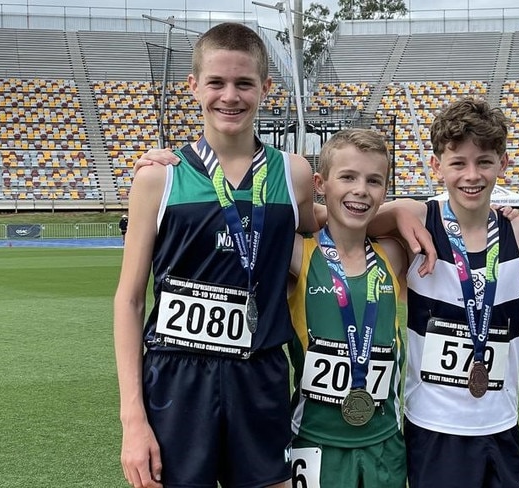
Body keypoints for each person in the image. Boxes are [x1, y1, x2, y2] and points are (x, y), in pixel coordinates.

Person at [113, 22, 319, 488]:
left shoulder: (294, 175)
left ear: (266, 88)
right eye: (217, 82)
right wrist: (132, 419)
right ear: (193, 87)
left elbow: (333, 222)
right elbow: (128, 301)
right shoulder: (157, 180)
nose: (231, 96)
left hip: (260, 372)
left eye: (245, 83)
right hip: (176, 378)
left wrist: (406, 211)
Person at [374, 97, 519, 488]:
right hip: (433, 427)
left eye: (484, 161)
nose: (472, 175)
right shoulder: (420, 224)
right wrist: (400, 209)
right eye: (458, 163)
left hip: (500, 424)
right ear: (437, 166)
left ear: (502, 164)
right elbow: (355, 221)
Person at [287, 128, 426, 488]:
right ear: (321, 183)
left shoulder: (395, 254)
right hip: (314, 442)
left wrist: (505, 217)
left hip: (384, 443)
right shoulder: (298, 255)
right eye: (347, 177)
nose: (361, 190)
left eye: (374, 181)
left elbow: (438, 216)